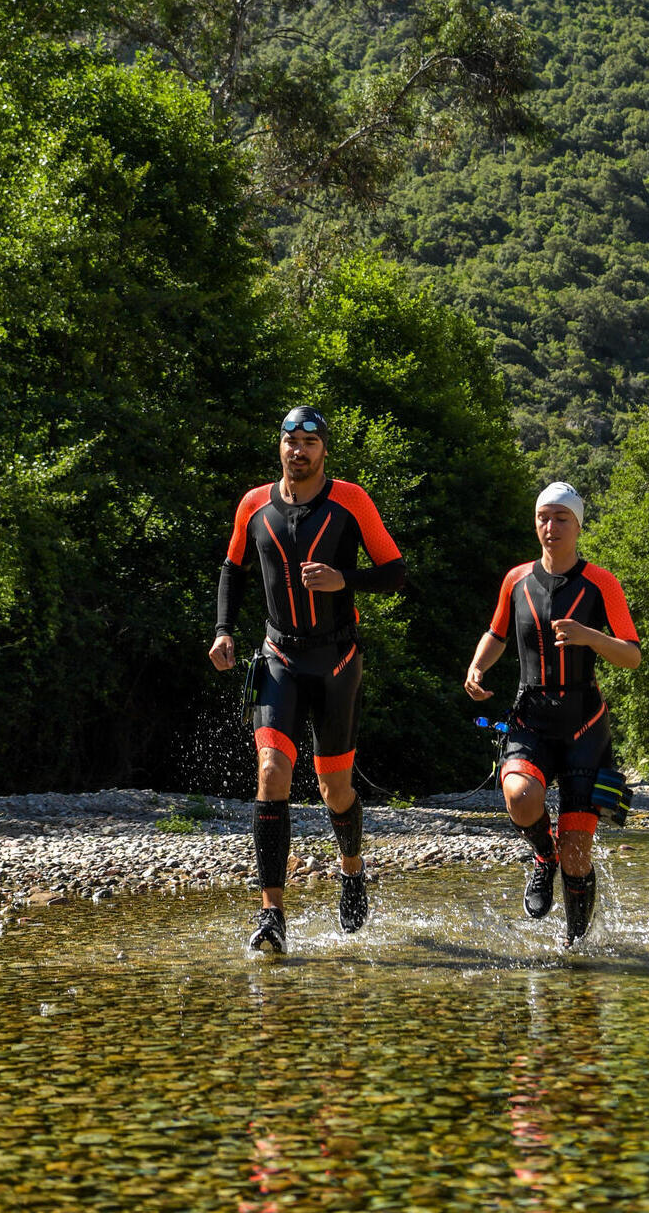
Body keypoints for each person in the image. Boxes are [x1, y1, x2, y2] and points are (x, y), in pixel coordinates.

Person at [209, 406, 406, 953]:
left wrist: (345, 579)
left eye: (310, 442)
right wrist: (224, 630)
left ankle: (351, 869)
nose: (299, 450)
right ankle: (272, 914)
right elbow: (233, 569)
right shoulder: (253, 504)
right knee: (271, 772)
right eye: (290, 441)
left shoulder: (351, 500)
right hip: (278, 657)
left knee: (333, 788)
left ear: (324, 451)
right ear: (280, 447)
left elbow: (395, 572)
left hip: (337, 661)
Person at [463, 482, 640, 943]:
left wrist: (590, 637)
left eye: (562, 518)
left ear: (578, 526)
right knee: (520, 797)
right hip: (531, 716)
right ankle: (543, 856)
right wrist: (478, 667)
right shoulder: (516, 580)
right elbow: (497, 632)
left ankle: (576, 944)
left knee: (578, 853)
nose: (551, 526)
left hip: (585, 725)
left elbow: (631, 655)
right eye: (544, 517)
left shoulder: (602, 583)